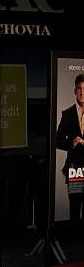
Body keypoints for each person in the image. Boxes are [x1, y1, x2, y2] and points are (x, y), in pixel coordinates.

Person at [56, 73, 84, 223]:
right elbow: (57, 140)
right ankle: (74, 242)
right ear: (75, 91)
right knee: (75, 206)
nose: (82, 92)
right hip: (75, 168)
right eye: (79, 88)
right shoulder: (67, 114)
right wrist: (71, 143)